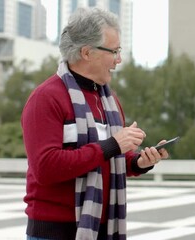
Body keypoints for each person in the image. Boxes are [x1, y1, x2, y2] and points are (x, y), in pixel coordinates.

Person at [21, 7, 168, 240]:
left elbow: (110, 157)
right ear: (87, 52)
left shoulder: (108, 99)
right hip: (54, 232)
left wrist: (139, 162)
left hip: (103, 228)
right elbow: (46, 168)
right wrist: (112, 145)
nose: (119, 59)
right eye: (114, 51)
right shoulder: (46, 98)